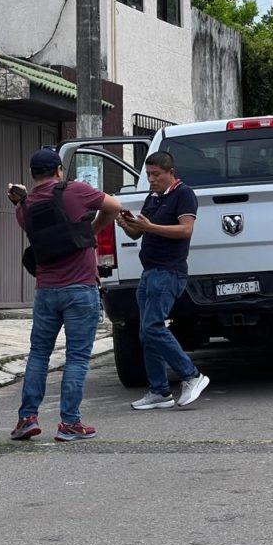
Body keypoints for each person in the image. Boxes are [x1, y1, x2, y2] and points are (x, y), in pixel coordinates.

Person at [6, 148, 122, 442]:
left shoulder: (24, 208)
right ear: (59, 170)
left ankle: (27, 418)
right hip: (80, 289)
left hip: (46, 291)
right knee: (77, 357)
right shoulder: (76, 191)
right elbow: (114, 206)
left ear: (32, 174)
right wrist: (92, 229)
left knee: (39, 354)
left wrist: (21, 198)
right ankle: (69, 422)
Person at [117, 150, 210, 410]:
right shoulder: (153, 197)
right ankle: (159, 391)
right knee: (146, 333)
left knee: (153, 327)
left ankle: (192, 375)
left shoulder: (184, 194)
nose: (151, 179)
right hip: (149, 272)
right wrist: (127, 224)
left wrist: (150, 227)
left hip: (169, 272)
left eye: (156, 174)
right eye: (148, 174)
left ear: (171, 172)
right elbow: (138, 234)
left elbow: (186, 230)